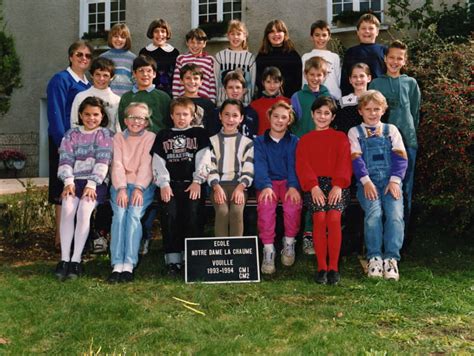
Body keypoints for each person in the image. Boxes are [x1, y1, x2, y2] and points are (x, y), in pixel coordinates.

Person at [348, 90, 408, 281]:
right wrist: (366, 181)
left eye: (377, 109)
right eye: (368, 109)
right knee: (374, 214)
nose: (372, 113)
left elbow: (400, 157)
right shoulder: (354, 132)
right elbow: (356, 159)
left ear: (384, 110)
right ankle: (374, 256)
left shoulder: (391, 130)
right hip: (368, 183)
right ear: (360, 111)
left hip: (391, 182)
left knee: (396, 216)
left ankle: (391, 259)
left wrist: (395, 181)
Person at [54, 96, 113, 281]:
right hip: (73, 180)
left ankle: (77, 260)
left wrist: (92, 183)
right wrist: (68, 181)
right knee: (68, 209)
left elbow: (103, 160)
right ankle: (64, 260)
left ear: (102, 115)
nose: (91, 118)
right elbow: (65, 159)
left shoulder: (104, 134)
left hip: (95, 183)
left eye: (95, 114)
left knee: (84, 212)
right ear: (80, 114)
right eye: (87, 114)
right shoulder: (71, 134)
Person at [151, 97, 212, 276]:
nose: (181, 117)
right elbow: (157, 162)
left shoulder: (199, 134)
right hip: (169, 186)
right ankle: (173, 259)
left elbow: (204, 159)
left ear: (192, 116)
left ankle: (191, 257)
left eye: (185, 114)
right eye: (177, 114)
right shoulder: (163, 135)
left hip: (192, 184)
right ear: (171, 115)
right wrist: (163, 183)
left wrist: (197, 181)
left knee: (193, 218)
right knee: (170, 218)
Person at [296, 96, 352, 285]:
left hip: (337, 184)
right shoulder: (304, 140)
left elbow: (344, 162)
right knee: (319, 218)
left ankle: (334, 267)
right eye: (318, 112)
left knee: (333, 218)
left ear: (333, 116)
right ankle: (322, 267)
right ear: (312, 115)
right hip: (315, 186)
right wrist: (313, 187)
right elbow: (302, 166)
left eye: (327, 113)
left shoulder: (340, 137)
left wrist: (338, 185)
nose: (322, 116)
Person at [369, 40, 421, 230]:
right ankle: (382, 232)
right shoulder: (375, 83)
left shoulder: (411, 83)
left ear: (405, 61)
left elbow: (415, 113)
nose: (395, 61)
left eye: (399, 58)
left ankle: (401, 235)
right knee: (382, 186)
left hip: (407, 144)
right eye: (391, 57)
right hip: (381, 145)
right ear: (385, 58)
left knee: (404, 188)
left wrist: (409, 135)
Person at [47, 40, 93, 249]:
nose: (83, 58)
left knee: (78, 187)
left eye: (87, 56)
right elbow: (55, 113)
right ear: (70, 57)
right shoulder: (60, 80)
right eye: (79, 55)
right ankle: (60, 239)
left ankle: (77, 237)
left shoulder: (88, 84)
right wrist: (61, 143)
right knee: (62, 190)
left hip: (83, 144)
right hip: (64, 142)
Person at [107, 102, 156, 283]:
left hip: (142, 186)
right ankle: (117, 263)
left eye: (141, 118)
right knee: (119, 216)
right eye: (132, 117)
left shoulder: (150, 137)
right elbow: (117, 164)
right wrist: (120, 188)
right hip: (120, 185)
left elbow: (146, 164)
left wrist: (138, 188)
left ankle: (129, 264)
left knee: (134, 215)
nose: (137, 121)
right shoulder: (118, 138)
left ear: (146, 121)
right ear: (126, 120)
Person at [254, 101, 302, 274]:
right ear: (269, 117)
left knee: (292, 206)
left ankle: (289, 243)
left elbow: (294, 165)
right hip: (268, 183)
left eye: (284, 117)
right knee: (266, 208)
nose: (279, 120)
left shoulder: (294, 141)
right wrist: (265, 186)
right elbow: (259, 166)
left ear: (289, 120)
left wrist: (293, 186)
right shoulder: (259, 141)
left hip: (289, 182)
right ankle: (268, 249)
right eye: (276, 116)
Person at [208, 99, 254, 237]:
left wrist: (241, 188)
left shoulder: (247, 143)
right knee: (222, 211)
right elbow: (210, 166)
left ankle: (236, 251)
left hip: (239, 186)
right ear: (220, 116)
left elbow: (249, 168)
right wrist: (216, 187)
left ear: (241, 118)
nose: (230, 119)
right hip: (218, 186)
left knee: (236, 211)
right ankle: (222, 251)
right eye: (226, 115)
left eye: (235, 115)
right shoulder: (212, 141)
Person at [118, 55, 171, 134]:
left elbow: (169, 123)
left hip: (158, 141)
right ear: (134, 74)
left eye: (149, 71)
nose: (145, 74)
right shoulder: (126, 97)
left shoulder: (163, 97)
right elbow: (123, 123)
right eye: (141, 71)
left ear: (154, 74)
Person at [340, 13, 387, 96]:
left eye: (371, 28)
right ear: (357, 32)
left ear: (377, 32)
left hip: (378, 97)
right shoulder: (351, 52)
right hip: (356, 96)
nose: (367, 31)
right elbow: (345, 78)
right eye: (363, 28)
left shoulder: (384, 51)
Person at [70, 57, 121, 132]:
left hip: (109, 142)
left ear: (112, 77)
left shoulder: (117, 100)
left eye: (105, 75)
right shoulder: (80, 97)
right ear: (91, 75)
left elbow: (118, 127)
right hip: (84, 142)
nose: (101, 78)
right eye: (98, 74)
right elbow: (74, 124)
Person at [255, 19, 302, 98]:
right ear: (267, 35)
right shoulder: (262, 55)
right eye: (272, 32)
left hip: (288, 100)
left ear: (285, 34)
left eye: (279, 31)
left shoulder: (293, 55)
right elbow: (258, 79)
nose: (276, 34)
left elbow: (298, 81)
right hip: (265, 99)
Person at [214, 19, 256, 106]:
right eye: (232, 34)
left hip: (244, 105)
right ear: (228, 36)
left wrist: (247, 102)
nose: (235, 37)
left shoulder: (249, 58)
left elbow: (252, 83)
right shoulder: (220, 56)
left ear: (244, 36)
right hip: (222, 104)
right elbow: (215, 81)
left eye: (238, 34)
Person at [208, 70, 259, 139]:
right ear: (224, 90)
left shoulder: (252, 114)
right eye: (230, 87)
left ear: (244, 90)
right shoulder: (216, 113)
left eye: (238, 87)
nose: (234, 91)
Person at [172, 28, 216, 102]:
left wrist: (212, 99)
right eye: (192, 42)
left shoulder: (209, 60)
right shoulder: (181, 58)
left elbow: (211, 81)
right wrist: (176, 97)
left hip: (203, 99)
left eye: (199, 43)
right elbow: (176, 80)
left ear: (204, 43)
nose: (195, 46)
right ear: (187, 43)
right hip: (185, 99)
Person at [301, 20, 342, 100]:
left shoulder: (334, 57)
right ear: (311, 37)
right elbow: (304, 80)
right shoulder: (306, 57)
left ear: (329, 37)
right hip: (312, 98)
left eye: (324, 35)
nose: (321, 38)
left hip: (332, 98)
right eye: (317, 35)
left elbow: (338, 79)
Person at [291, 56, 331, 137]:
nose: (315, 78)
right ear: (305, 75)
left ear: (324, 76)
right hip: (302, 140)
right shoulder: (297, 97)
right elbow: (292, 123)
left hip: (322, 140)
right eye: (312, 74)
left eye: (319, 75)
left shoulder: (329, 97)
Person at [139, 19, 179, 96]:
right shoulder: (144, 52)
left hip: (169, 93)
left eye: (163, 31)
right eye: (156, 31)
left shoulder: (174, 52)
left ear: (167, 34)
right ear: (151, 33)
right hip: (148, 93)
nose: (160, 34)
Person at [333, 63, 372, 134]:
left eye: (362, 76)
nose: (358, 79)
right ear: (350, 80)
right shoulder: (342, 102)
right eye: (354, 76)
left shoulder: (375, 100)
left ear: (369, 78)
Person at [250, 66, 290, 136]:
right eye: (268, 82)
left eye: (276, 82)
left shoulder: (288, 102)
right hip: (262, 144)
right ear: (263, 82)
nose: (272, 86)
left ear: (281, 83)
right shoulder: (254, 105)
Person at [100, 23, 137, 96]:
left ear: (127, 39)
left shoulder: (133, 58)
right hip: (107, 97)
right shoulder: (103, 57)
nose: (119, 39)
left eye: (122, 37)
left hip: (127, 98)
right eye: (115, 36)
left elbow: (136, 81)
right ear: (110, 38)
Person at [178, 63, 215, 129]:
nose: (192, 81)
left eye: (195, 78)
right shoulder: (175, 102)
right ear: (181, 81)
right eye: (188, 78)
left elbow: (212, 128)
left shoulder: (208, 104)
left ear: (201, 82)